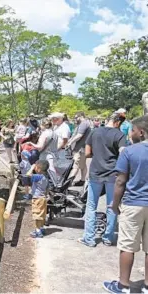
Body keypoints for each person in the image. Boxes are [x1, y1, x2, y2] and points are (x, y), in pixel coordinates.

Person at [103, 115, 148, 294]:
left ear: (141, 132)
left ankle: (123, 286)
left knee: (127, 246)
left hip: (134, 204)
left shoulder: (129, 152)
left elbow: (120, 181)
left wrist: (114, 204)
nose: (131, 133)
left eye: (133, 130)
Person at [78, 112, 126, 248]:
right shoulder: (119, 135)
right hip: (112, 175)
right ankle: (108, 238)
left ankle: (89, 238)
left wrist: (97, 154)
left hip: (95, 173)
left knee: (91, 206)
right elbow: (123, 153)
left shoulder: (95, 132)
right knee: (112, 206)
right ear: (117, 123)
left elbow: (87, 153)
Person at [25, 160, 50, 238]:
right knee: (42, 215)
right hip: (43, 198)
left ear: (38, 169)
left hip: (37, 199)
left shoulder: (38, 176)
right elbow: (47, 188)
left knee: (37, 216)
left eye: (36, 166)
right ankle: (41, 228)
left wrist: (31, 168)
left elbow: (27, 175)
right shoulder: (46, 176)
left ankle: (37, 231)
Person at [66, 112, 91, 186]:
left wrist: (70, 143)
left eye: (76, 117)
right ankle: (82, 180)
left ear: (81, 116)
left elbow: (79, 135)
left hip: (80, 149)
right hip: (81, 148)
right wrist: (70, 141)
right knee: (82, 165)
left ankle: (68, 182)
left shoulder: (84, 124)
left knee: (75, 165)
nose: (75, 119)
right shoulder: (82, 124)